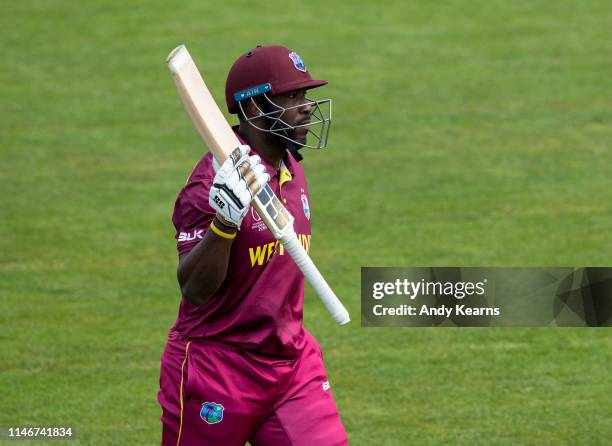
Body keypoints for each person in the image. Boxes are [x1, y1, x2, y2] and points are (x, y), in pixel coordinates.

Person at [158, 45, 348, 446]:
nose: (306, 107)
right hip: (217, 367)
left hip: (292, 364)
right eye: (292, 97)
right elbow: (193, 289)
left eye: (304, 96)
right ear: (254, 109)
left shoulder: (288, 165)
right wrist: (226, 221)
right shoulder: (208, 185)